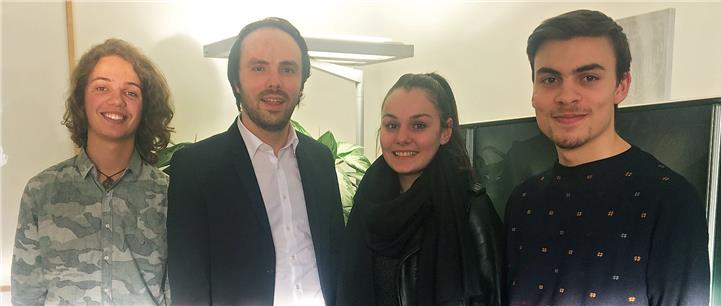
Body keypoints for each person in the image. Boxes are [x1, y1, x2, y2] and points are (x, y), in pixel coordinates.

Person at [505, 9, 710, 306]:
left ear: (621, 86)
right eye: (550, 79)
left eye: (588, 77)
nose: (566, 96)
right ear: (534, 91)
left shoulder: (670, 201)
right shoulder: (523, 201)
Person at [166, 17, 344, 306]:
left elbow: (335, 257)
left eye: (288, 69)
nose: (274, 82)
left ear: (301, 81)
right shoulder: (196, 168)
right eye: (259, 68)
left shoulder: (320, 159)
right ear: (236, 81)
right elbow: (189, 287)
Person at [11, 38, 174, 305]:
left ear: (145, 106)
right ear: (81, 100)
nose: (117, 100)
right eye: (102, 87)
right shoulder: (42, 191)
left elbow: (177, 292)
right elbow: (27, 294)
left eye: (131, 92)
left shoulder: (169, 194)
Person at [338, 73, 504, 306]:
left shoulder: (471, 209)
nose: (402, 137)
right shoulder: (367, 202)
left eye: (418, 125)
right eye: (392, 125)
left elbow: (492, 297)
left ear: (445, 132)